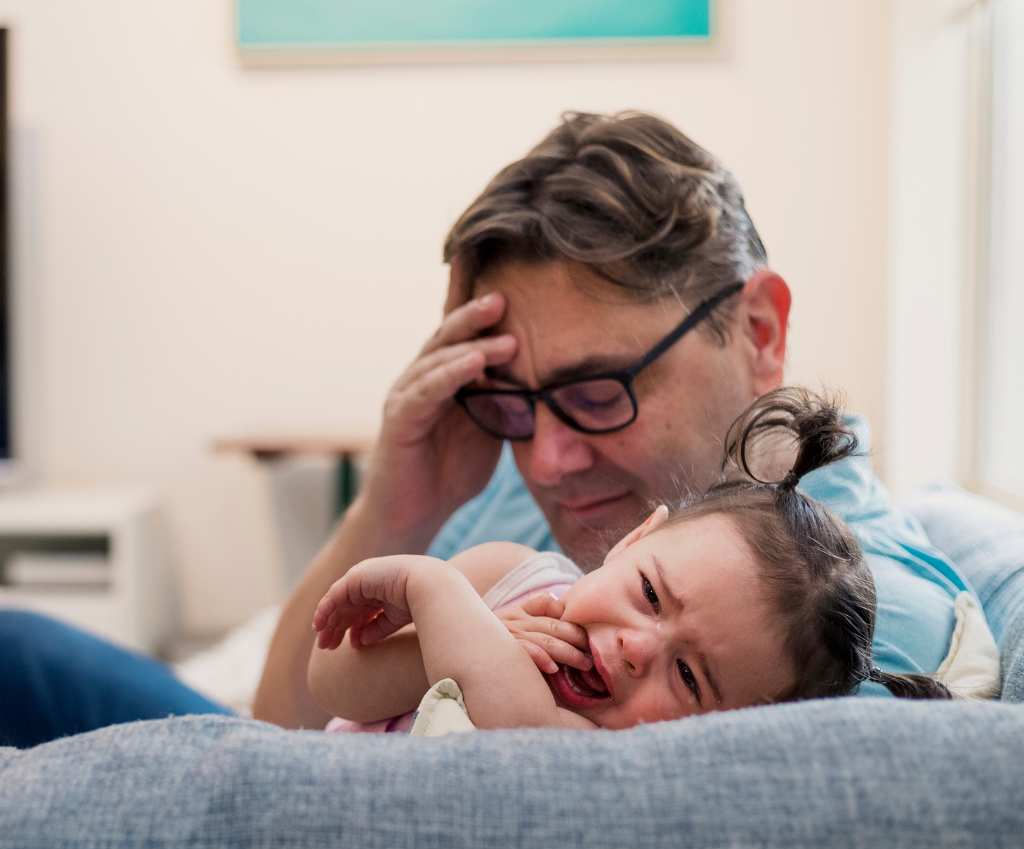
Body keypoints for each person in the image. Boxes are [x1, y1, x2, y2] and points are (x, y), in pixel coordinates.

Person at [0, 110, 984, 748]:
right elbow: (286, 717)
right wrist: (402, 500)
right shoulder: (585, 492)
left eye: (601, 389)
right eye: (510, 401)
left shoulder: (839, 622)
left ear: (758, 330)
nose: (548, 457)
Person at [308, 388, 953, 736]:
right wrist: (448, 639)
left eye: (691, 678)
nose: (640, 648)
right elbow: (332, 682)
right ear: (634, 540)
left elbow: (518, 733)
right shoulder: (508, 578)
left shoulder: (611, 751)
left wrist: (434, 591)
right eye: (649, 593)